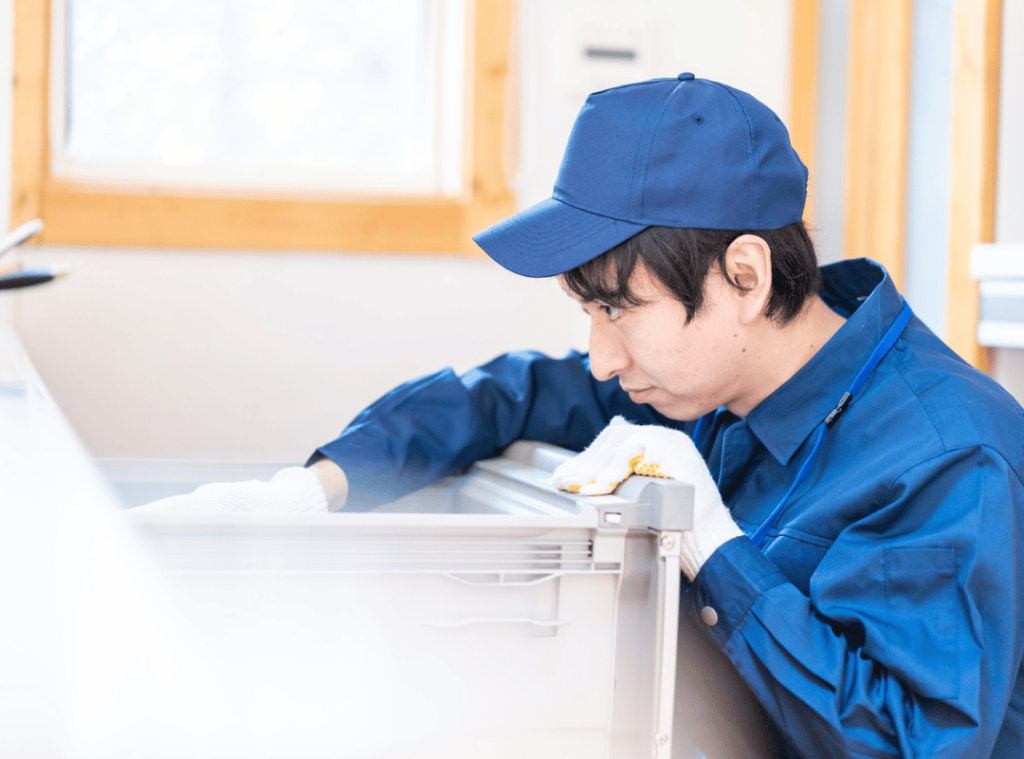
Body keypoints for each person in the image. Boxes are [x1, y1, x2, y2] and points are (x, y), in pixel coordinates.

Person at [143, 73, 1024, 758]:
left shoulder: (945, 457)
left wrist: (718, 551)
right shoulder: (709, 377)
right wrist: (313, 492)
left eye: (617, 309)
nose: (602, 358)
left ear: (746, 277)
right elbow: (511, 393)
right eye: (588, 314)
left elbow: (914, 744)